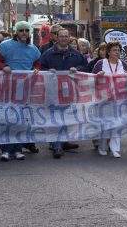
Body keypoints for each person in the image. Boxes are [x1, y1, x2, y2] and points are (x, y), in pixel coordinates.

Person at [0, 21, 41, 161]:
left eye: (26, 30)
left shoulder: (34, 49)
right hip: (7, 87)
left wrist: (37, 68)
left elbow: (38, 62)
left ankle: (18, 149)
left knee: (21, 119)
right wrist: (3, 67)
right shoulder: (5, 45)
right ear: (16, 32)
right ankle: (5, 149)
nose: (24, 33)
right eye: (21, 30)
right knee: (7, 118)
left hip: (25, 88)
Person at [39, 28, 86, 159]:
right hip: (54, 91)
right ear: (56, 38)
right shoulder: (48, 54)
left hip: (70, 91)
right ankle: (57, 145)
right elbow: (40, 67)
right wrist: (49, 71)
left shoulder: (76, 54)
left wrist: (77, 69)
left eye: (66, 36)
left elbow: (85, 67)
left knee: (66, 117)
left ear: (69, 38)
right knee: (57, 118)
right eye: (61, 36)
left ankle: (63, 141)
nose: (64, 39)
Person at [90, 41, 127, 158]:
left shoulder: (123, 64)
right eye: (114, 50)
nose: (117, 52)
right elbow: (91, 79)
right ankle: (102, 146)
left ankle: (115, 148)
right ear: (108, 52)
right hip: (104, 99)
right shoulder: (100, 63)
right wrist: (98, 75)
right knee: (105, 123)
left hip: (119, 99)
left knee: (117, 123)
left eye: (118, 50)